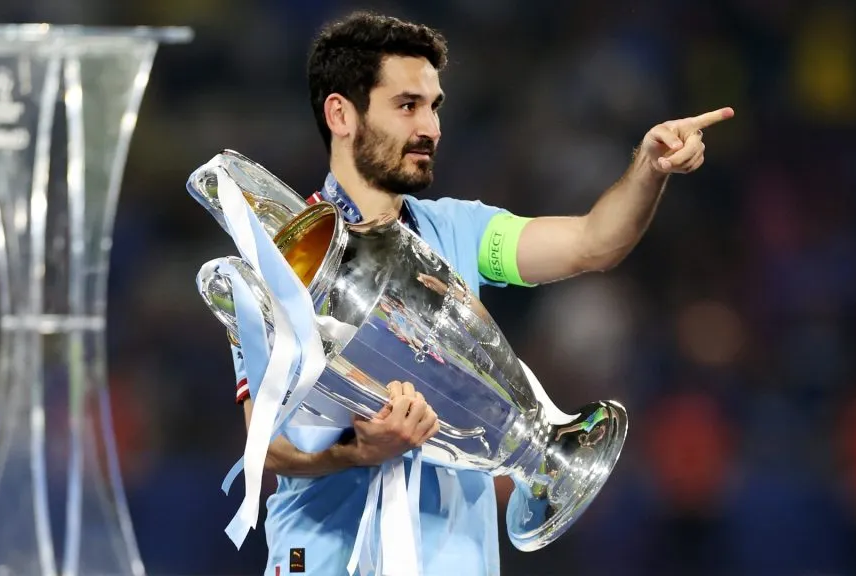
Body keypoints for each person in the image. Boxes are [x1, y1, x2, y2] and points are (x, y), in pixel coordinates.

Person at [229, 10, 733, 576]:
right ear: (341, 114)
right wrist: (359, 452)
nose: (431, 128)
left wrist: (649, 167)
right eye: (407, 106)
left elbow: (594, 242)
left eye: (434, 106)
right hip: (326, 558)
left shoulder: (459, 231)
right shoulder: (284, 265)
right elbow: (264, 446)